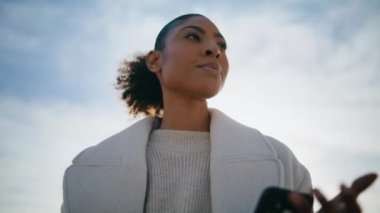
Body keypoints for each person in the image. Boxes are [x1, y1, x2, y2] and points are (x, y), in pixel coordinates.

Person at [61, 13, 376, 213]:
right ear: (156, 61)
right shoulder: (86, 172)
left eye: (221, 45)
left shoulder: (281, 160)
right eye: (193, 36)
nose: (215, 50)